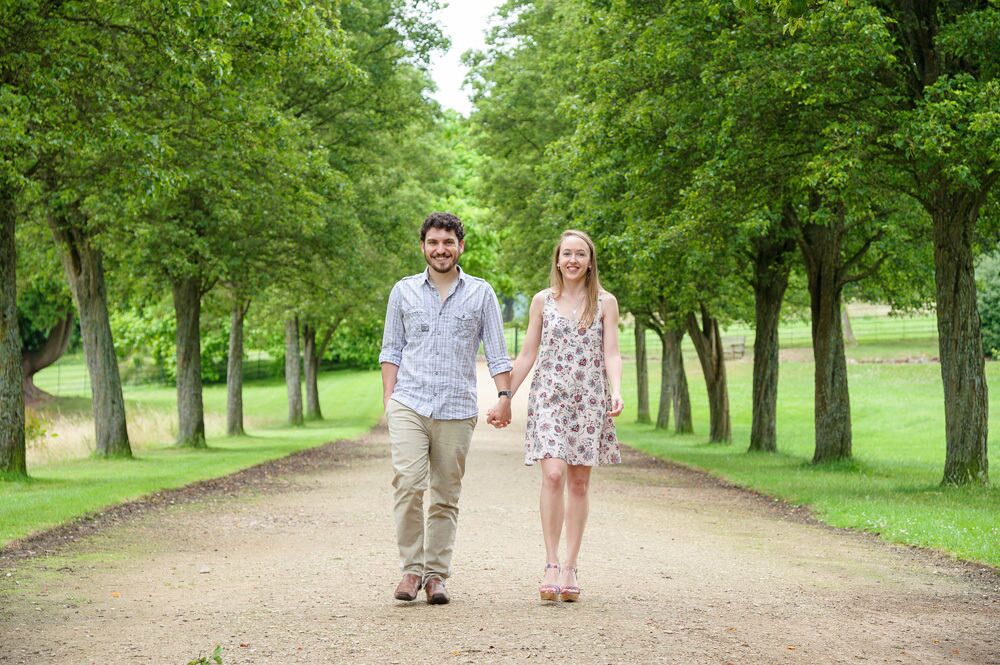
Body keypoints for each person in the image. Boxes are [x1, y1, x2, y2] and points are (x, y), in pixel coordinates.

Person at [379, 212, 513, 605]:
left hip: (456, 408)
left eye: (448, 242)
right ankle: (410, 569)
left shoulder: (481, 293)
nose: (441, 249)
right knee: (408, 484)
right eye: (433, 242)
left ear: (460, 247)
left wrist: (504, 398)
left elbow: (498, 352)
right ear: (423, 246)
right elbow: (391, 350)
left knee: (445, 494)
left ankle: (436, 575)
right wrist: (389, 402)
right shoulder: (402, 291)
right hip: (410, 404)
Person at [489, 229, 623, 602]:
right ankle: (550, 562)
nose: (573, 260)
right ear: (558, 259)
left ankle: (570, 566)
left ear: (590, 260)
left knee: (579, 483)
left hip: (588, 398)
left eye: (581, 254)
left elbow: (611, 352)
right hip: (549, 397)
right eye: (567, 254)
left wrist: (617, 390)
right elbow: (528, 354)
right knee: (553, 473)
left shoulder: (606, 303)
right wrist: (505, 398)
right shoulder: (542, 301)